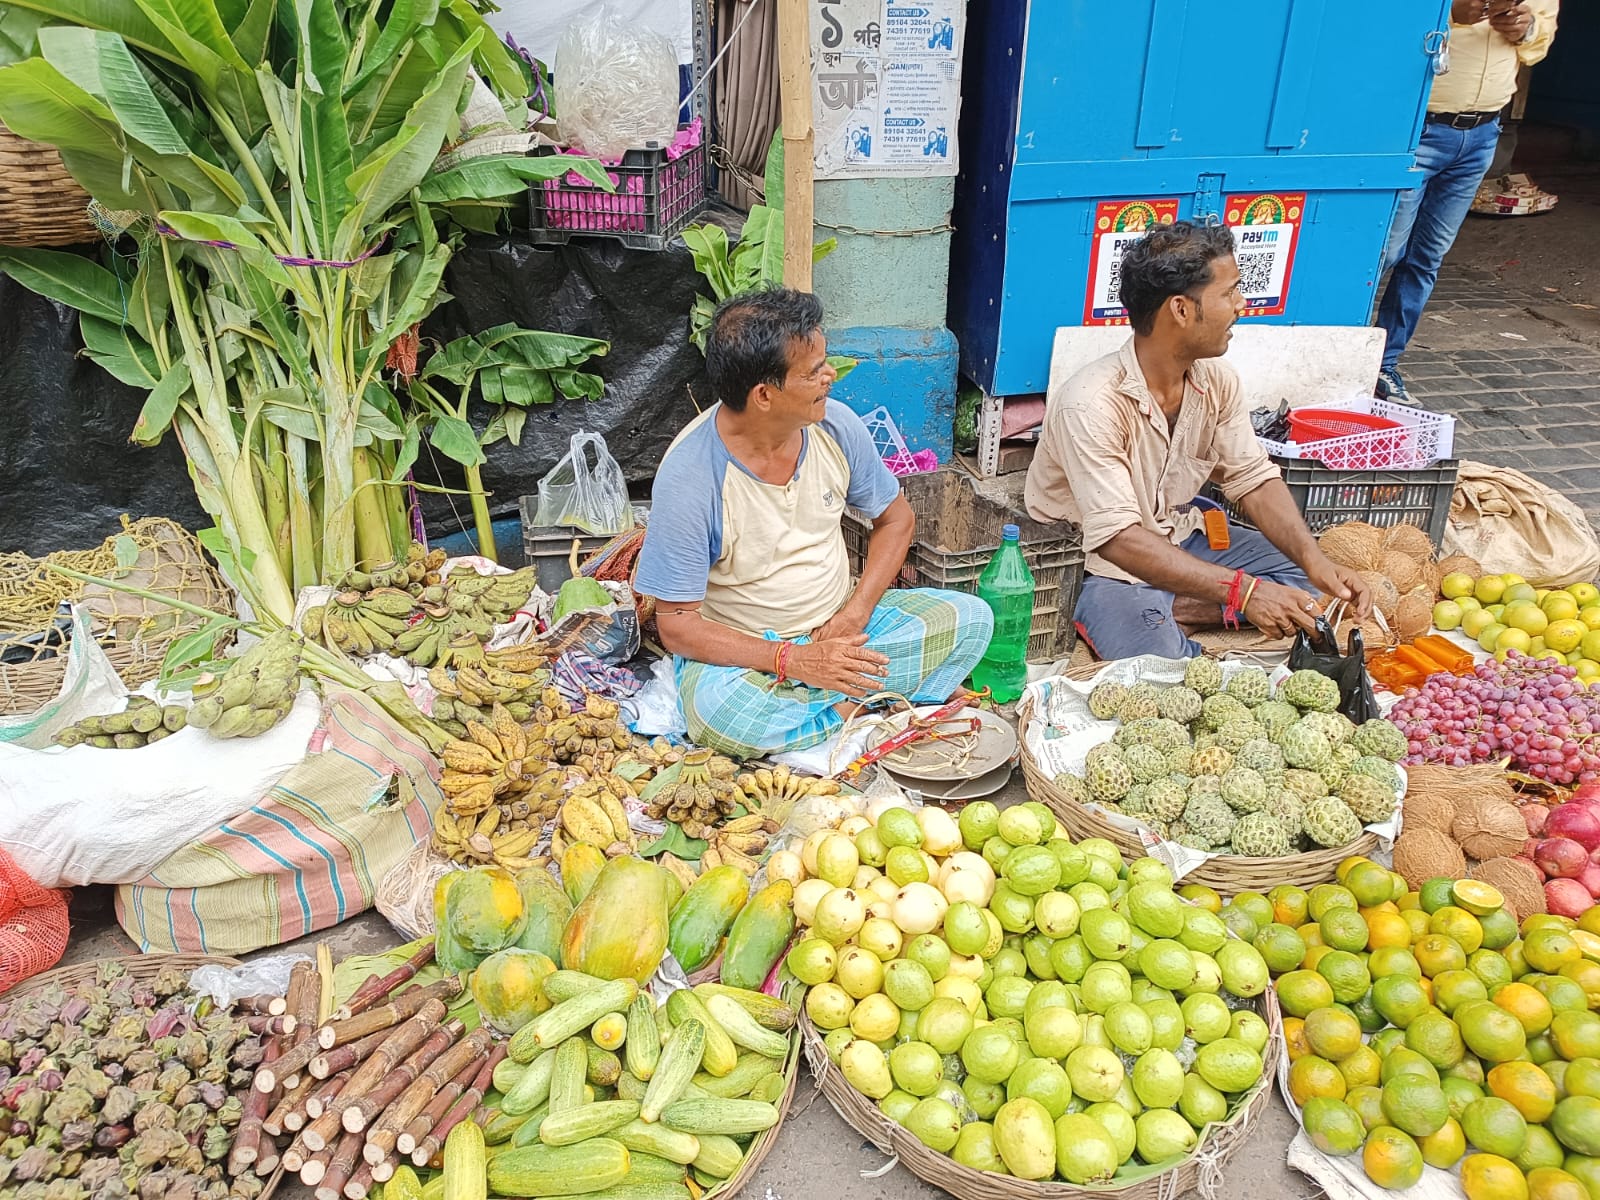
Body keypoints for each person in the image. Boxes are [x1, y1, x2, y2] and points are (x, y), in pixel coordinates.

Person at [634, 288, 992, 758]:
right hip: (747, 653)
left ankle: (829, 704)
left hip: (839, 626)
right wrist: (793, 660)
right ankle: (859, 705)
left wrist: (853, 614)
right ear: (764, 395)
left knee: (971, 618)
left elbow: (897, 521)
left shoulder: (835, 426)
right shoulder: (691, 477)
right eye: (813, 372)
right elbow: (677, 625)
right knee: (724, 719)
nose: (830, 377)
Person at [1024, 221, 1374, 661]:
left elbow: (1253, 479)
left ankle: (1178, 601)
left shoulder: (1216, 381)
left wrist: (1315, 561)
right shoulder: (1091, 402)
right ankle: (1171, 606)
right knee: (1162, 670)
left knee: (1304, 588)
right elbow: (1118, 539)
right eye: (1229, 294)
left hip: (1176, 535)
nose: (1241, 306)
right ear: (1181, 311)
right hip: (1097, 562)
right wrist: (1242, 592)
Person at [1374, 0, 1557, 404]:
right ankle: (1336, 353)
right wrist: (1452, 13)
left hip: (1481, 133)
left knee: (1426, 257)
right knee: (1383, 251)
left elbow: (1539, 43)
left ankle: (1384, 365)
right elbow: (1384, 25)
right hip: (1418, 126)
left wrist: (1525, 29)